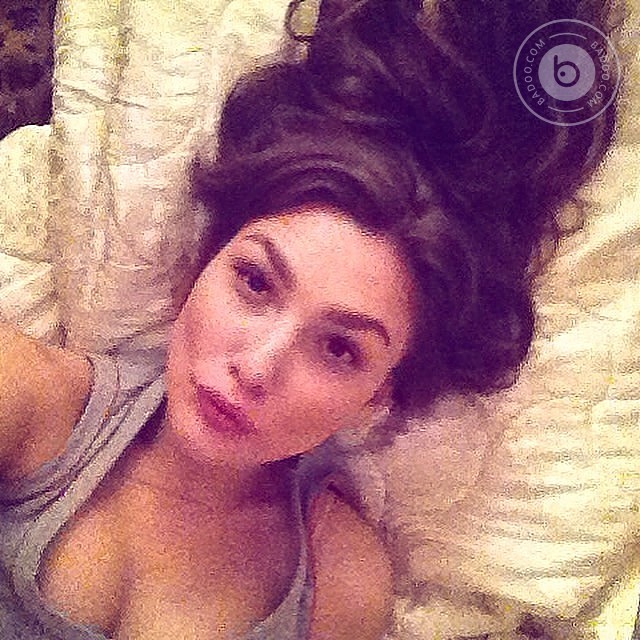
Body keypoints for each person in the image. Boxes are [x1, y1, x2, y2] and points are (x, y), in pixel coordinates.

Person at [0, 0, 621, 639]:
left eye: (339, 349)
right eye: (255, 282)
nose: (257, 367)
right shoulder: (33, 398)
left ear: (376, 396)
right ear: (201, 266)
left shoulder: (339, 582)